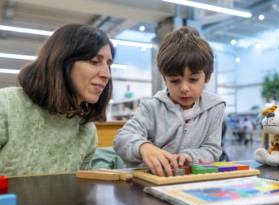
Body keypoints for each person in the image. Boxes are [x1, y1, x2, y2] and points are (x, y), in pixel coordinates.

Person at [0, 24, 115, 176]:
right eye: (94, 61)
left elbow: (78, 191)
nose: (107, 74)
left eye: (109, 64)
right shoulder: (6, 105)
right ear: (62, 61)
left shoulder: (86, 130)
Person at [114, 26, 226, 177]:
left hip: (189, 180)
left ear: (207, 76)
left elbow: (212, 150)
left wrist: (189, 156)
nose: (184, 88)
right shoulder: (152, 106)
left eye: (193, 79)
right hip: (152, 179)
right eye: (175, 81)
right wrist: (144, 147)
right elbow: (122, 138)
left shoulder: (215, 107)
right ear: (164, 78)